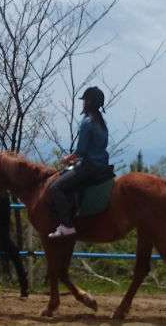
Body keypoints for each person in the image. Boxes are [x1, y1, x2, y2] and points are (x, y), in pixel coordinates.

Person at [48, 86, 110, 238]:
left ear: (88, 102)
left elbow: (81, 151)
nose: (82, 104)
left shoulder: (87, 122)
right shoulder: (102, 122)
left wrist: (66, 159)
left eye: (84, 101)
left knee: (55, 187)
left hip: (89, 167)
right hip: (102, 165)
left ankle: (67, 225)